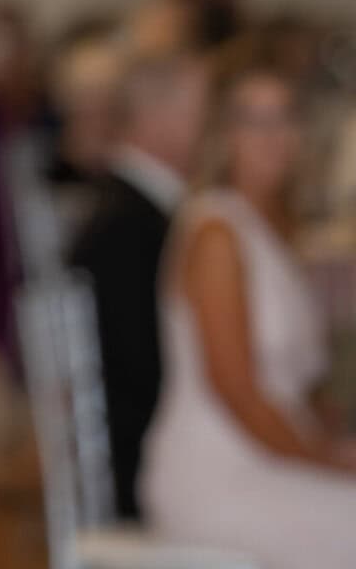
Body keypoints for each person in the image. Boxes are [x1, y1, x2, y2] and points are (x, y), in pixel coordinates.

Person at [139, 68, 356, 566]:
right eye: (253, 121)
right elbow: (236, 391)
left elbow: (299, 387)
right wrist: (327, 462)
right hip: (217, 472)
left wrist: (329, 443)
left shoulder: (277, 226)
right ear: (222, 132)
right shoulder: (217, 231)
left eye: (284, 118)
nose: (273, 137)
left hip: (274, 457)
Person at [65, 53, 211, 519]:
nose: (215, 128)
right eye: (205, 111)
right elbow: (146, 373)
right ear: (156, 119)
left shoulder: (132, 211)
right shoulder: (131, 228)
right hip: (147, 467)